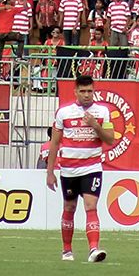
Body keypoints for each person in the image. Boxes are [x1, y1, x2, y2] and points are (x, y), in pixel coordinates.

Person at [46, 75, 114, 262]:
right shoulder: (64, 113)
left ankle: (94, 249)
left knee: (91, 206)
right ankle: (67, 250)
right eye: (82, 91)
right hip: (68, 169)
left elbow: (110, 139)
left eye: (89, 91)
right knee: (69, 206)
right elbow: (55, 143)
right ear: (75, 91)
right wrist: (50, 172)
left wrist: (95, 125)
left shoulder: (102, 112)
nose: (86, 95)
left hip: (92, 167)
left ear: (94, 91)